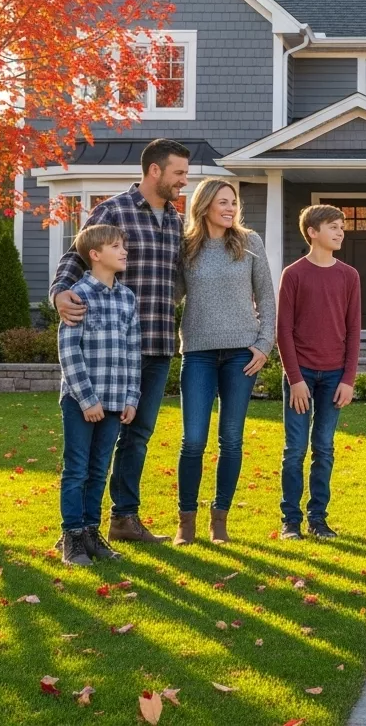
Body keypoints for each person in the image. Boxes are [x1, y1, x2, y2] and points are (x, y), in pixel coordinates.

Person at [50, 138, 189, 543]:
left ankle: (122, 518)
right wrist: (60, 293)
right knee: (92, 450)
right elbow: (75, 258)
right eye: (178, 172)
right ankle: (79, 527)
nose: (183, 180)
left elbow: (177, 277)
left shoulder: (176, 219)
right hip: (109, 348)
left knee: (139, 435)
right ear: (155, 171)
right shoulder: (112, 210)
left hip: (157, 341)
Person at [174, 179, 276, 545]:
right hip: (198, 353)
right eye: (223, 202)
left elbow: (266, 297)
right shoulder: (186, 248)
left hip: (241, 355)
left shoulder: (250, 243)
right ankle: (186, 522)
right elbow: (170, 296)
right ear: (204, 206)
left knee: (231, 439)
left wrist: (264, 345)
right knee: (193, 439)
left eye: (233, 202)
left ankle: (220, 520)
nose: (231, 208)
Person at [56, 224, 140, 566]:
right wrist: (87, 399)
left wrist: (131, 397)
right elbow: (68, 351)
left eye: (123, 246)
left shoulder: (127, 298)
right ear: (95, 254)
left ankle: (91, 532)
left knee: (99, 469)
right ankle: (72, 537)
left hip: (116, 400)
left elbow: (134, 352)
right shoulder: (78, 295)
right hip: (81, 401)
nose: (123, 251)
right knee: (76, 469)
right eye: (116, 246)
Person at [275, 204, 360, 541]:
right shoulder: (294, 274)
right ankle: (290, 521)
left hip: (334, 375)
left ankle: (318, 519)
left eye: (342, 227)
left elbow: (354, 330)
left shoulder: (349, 276)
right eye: (333, 226)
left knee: (324, 447)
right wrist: (295, 379)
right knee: (295, 449)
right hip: (302, 375)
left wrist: (348, 379)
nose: (340, 232)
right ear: (312, 231)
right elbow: (283, 332)